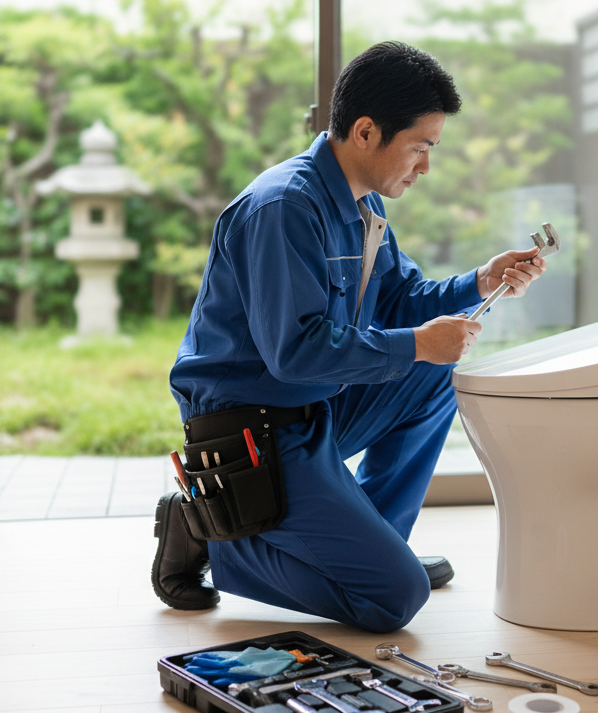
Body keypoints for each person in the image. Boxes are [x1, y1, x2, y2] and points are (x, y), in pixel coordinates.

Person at [152, 41, 547, 633]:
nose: (425, 166)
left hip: (314, 409)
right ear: (366, 131)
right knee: (394, 600)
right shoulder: (282, 207)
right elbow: (295, 352)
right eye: (421, 147)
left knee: (435, 374)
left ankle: (375, 542)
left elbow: (402, 299)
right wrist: (416, 342)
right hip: (254, 430)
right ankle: (217, 535)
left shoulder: (361, 211)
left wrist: (480, 281)